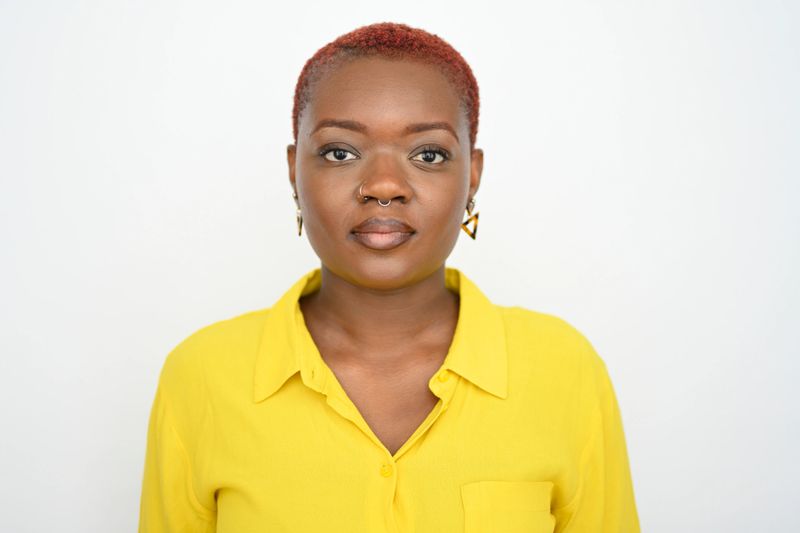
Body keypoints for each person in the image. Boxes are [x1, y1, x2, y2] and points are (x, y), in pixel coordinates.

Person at [138, 22, 640, 533]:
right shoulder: (201, 378)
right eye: (340, 152)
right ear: (294, 171)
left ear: (472, 175)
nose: (383, 185)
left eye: (428, 154)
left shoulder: (564, 371)